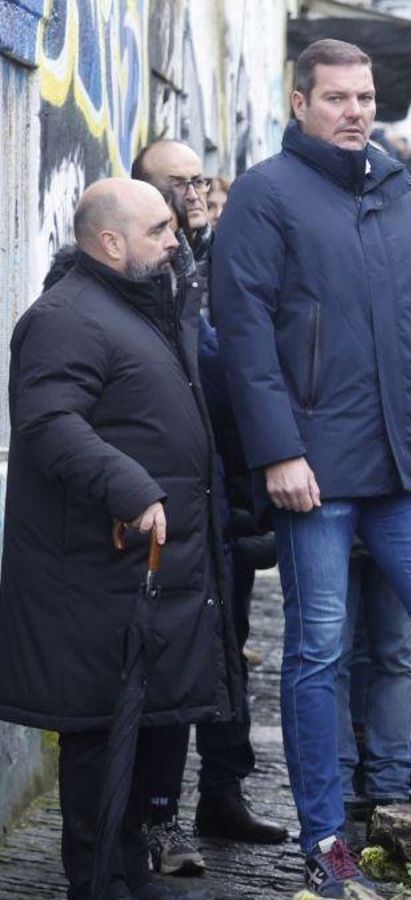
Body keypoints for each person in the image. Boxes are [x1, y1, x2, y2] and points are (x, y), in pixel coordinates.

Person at [210, 38, 411, 898]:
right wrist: (279, 451)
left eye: (365, 97)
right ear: (301, 103)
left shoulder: (399, 191)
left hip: (405, 463)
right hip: (316, 471)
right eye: (337, 97)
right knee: (319, 651)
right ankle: (325, 839)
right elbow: (245, 337)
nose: (357, 110)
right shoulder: (263, 196)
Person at [0, 178, 243, 900]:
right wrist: (132, 488)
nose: (176, 241)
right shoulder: (66, 317)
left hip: (142, 570)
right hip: (94, 573)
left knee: (137, 742)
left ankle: (126, 879)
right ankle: (99, 885)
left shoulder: (139, 305)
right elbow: (47, 423)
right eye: (160, 230)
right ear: (109, 243)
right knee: (102, 747)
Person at [128, 139, 289, 873]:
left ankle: (222, 793)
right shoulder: (143, 273)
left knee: (225, 657)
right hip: (166, 504)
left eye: (199, 181)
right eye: (175, 184)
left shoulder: (220, 256)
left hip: (228, 502)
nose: (193, 195)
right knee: (168, 666)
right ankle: (152, 819)